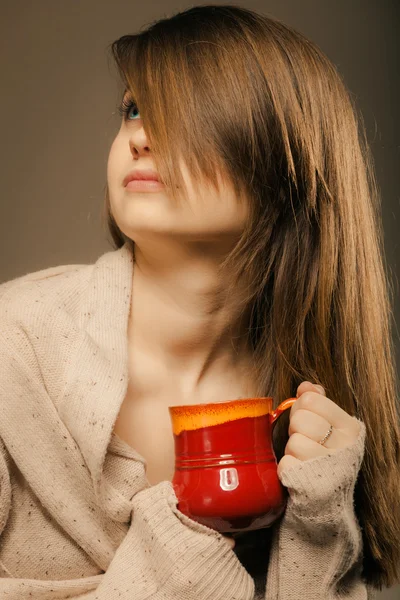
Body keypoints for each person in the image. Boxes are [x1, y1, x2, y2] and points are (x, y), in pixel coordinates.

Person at [0, 4, 399, 599]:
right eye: (134, 108)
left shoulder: (309, 418)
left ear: (286, 162)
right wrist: (186, 535)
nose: (139, 135)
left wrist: (320, 524)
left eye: (182, 112)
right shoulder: (13, 349)